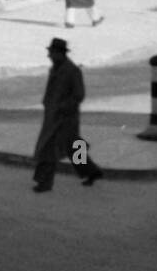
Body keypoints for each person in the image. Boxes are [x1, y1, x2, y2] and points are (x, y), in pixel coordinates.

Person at [32, 37, 103, 193]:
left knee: (48, 149)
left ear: (60, 53)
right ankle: (91, 172)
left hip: (65, 118)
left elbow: (79, 95)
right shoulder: (55, 68)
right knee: (73, 148)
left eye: (51, 53)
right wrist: (47, 103)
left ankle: (45, 182)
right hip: (54, 116)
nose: (49, 56)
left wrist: (62, 107)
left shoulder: (72, 71)